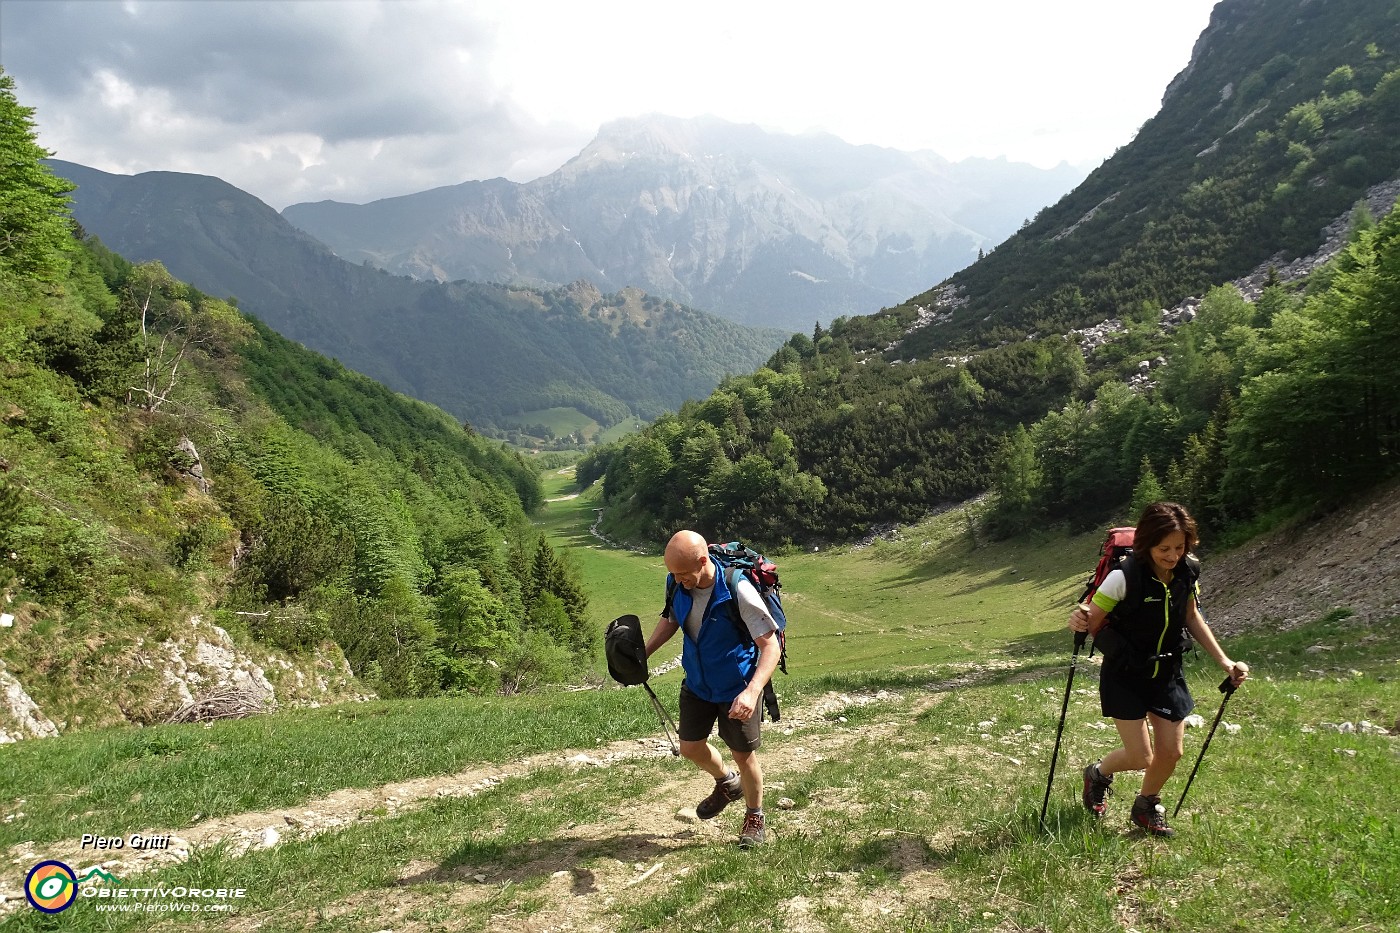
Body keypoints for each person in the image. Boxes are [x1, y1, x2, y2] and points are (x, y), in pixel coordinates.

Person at [1068, 502, 1248, 837]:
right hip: (1126, 673)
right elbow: (1090, 620)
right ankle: (1098, 773)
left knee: (1172, 751)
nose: (1172, 556)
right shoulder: (1123, 577)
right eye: (1164, 548)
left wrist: (1223, 660)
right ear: (1146, 544)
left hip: (1167, 671)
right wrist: (1078, 618)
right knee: (1140, 756)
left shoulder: (1187, 572)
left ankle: (1146, 805)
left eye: (1179, 547)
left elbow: (1191, 616)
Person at [644, 529, 781, 848]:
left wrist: (751, 692)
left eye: (682, 574)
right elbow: (671, 619)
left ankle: (754, 818)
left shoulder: (738, 590)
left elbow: (770, 647)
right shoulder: (676, 583)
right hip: (697, 682)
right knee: (690, 748)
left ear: (703, 561)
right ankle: (725, 782)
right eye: (672, 575)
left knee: (743, 755)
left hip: (737, 685)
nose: (677, 581)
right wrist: (643, 653)